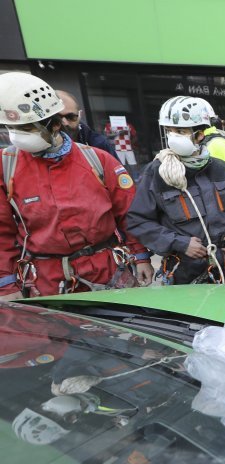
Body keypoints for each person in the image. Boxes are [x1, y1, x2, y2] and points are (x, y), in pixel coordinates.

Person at [0, 72, 153, 300]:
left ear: (53, 124)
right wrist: (6, 284)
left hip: (104, 272)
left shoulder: (98, 161)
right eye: (13, 129)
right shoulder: (6, 166)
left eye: (27, 129)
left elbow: (129, 214)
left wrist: (141, 257)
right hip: (46, 280)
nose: (18, 137)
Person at [126, 96, 225, 285]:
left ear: (200, 134)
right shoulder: (157, 172)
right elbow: (138, 220)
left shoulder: (223, 170)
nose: (173, 136)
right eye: (170, 131)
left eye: (180, 131)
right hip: (182, 276)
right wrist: (180, 243)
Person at [55, 90, 118, 160]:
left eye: (71, 117)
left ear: (79, 115)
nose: (65, 122)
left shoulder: (98, 144)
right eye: (57, 117)